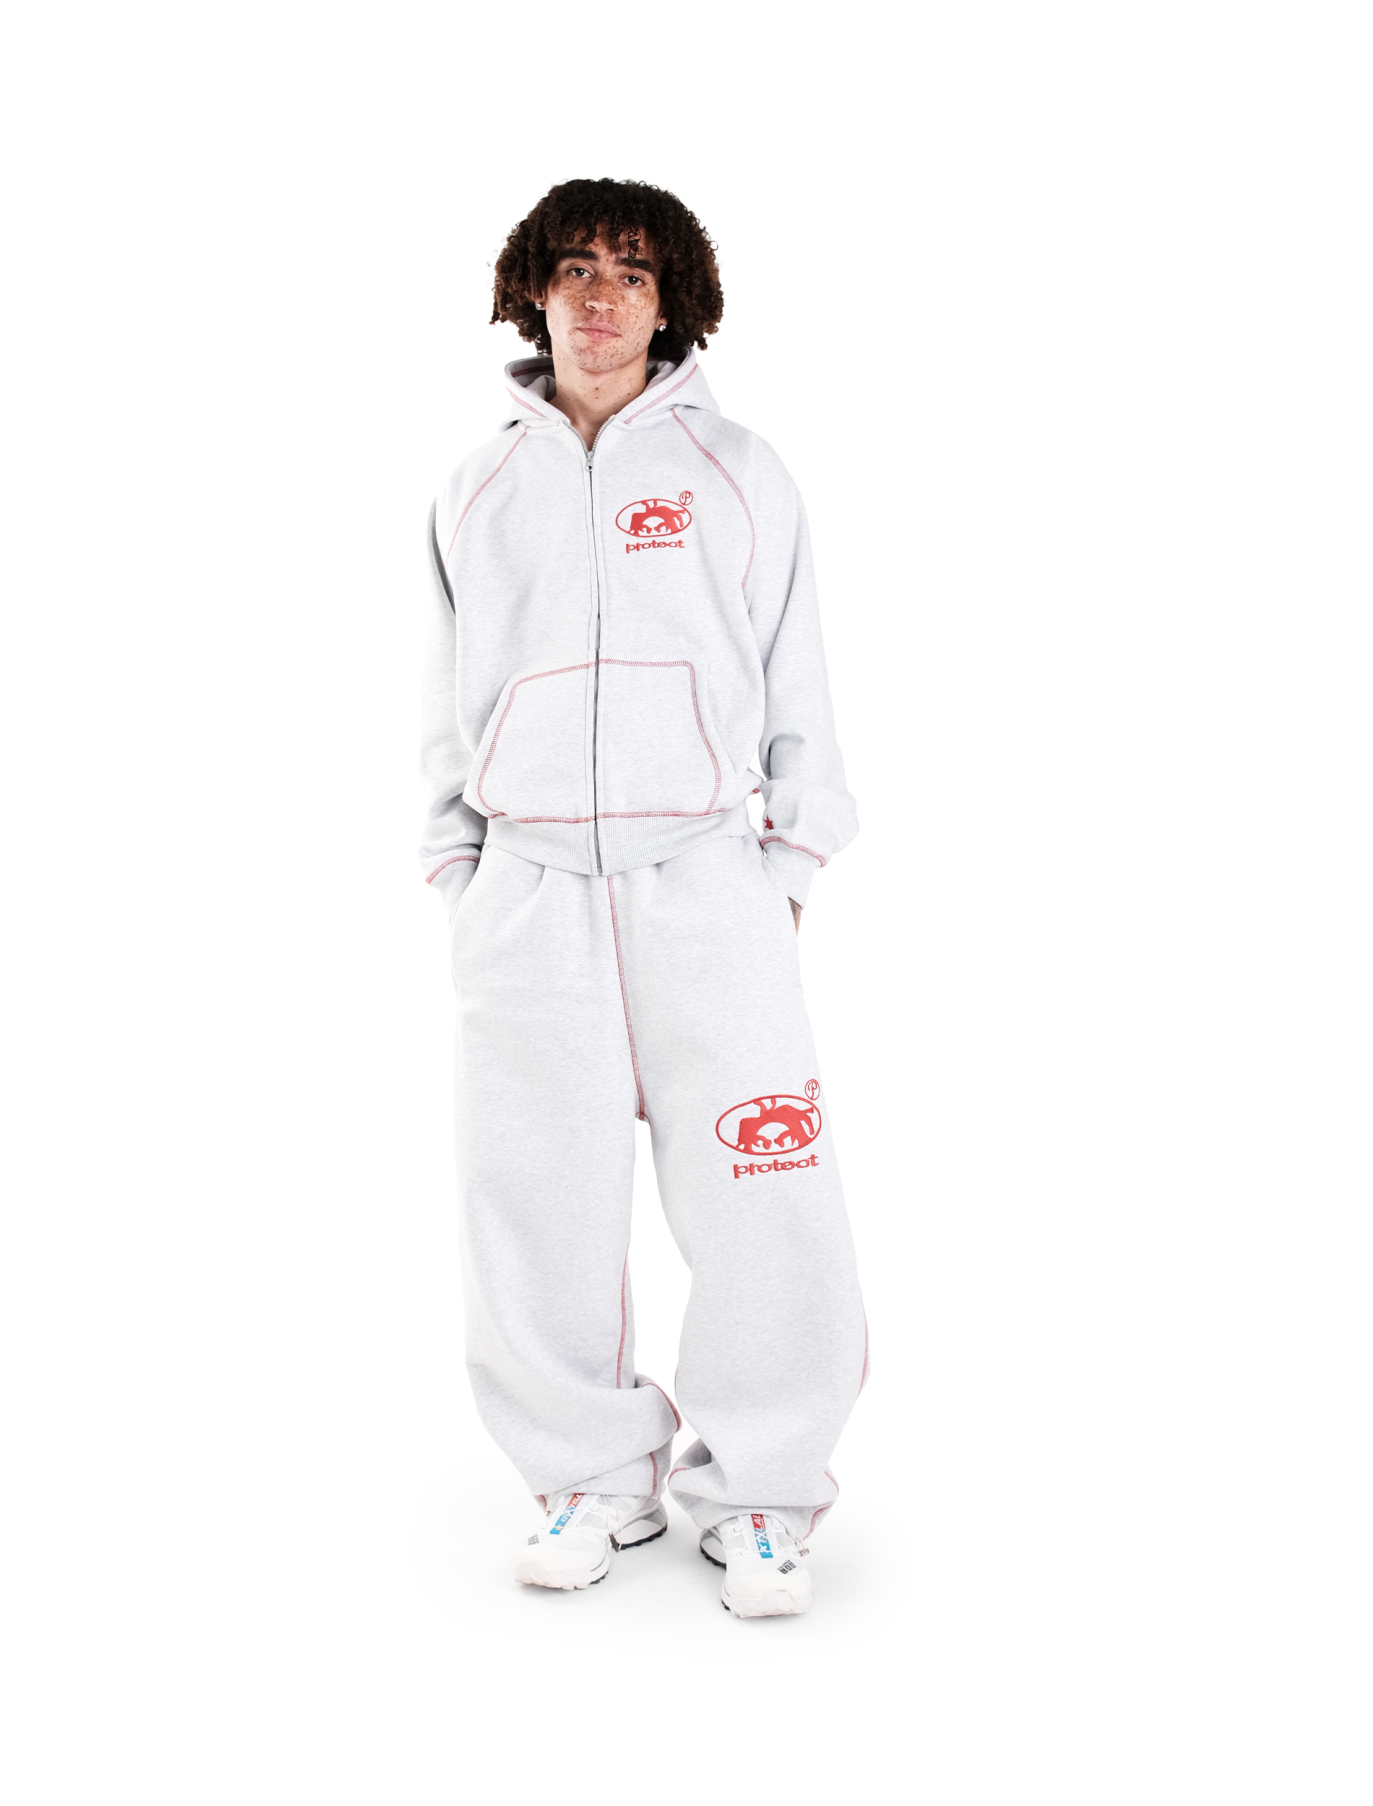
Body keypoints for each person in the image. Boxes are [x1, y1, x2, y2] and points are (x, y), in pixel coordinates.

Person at [420, 178, 866, 1617]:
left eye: (629, 271)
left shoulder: (742, 472)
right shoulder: (477, 488)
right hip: (530, 888)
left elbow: (798, 679)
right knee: (532, 1196)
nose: (599, 295)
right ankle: (587, 1475)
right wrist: (461, 870)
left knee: (760, 1183)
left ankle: (764, 1493)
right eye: (574, 269)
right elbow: (445, 694)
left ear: (672, 300)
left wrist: (786, 864)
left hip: (705, 879)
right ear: (533, 292)